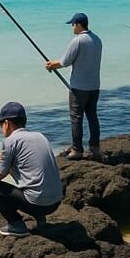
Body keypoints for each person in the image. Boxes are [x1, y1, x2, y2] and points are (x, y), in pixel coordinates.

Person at [0, 101, 63, 237]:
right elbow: (16, 156)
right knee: (30, 179)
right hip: (55, 202)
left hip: (38, 204)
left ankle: (17, 225)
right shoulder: (39, 136)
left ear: (7, 124)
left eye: (1, 124)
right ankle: (40, 219)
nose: (1, 128)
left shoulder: (10, 141)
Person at [45, 12, 103, 161]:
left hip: (79, 88)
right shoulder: (97, 39)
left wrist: (51, 65)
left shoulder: (77, 41)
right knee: (92, 117)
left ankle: (77, 150)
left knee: (76, 118)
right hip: (94, 86)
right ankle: (95, 148)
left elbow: (65, 62)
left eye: (72, 24)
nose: (72, 27)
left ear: (78, 24)